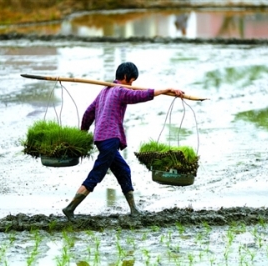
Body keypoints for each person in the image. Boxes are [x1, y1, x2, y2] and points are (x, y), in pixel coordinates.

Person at [62, 62, 184, 221]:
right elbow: (139, 95)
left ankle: (134, 210)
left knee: (123, 170)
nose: (132, 85)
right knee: (97, 173)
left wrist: (83, 131)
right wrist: (165, 90)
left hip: (101, 138)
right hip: (111, 138)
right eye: (132, 81)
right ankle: (70, 207)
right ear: (126, 77)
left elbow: (88, 113)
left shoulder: (104, 91)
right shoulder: (119, 90)